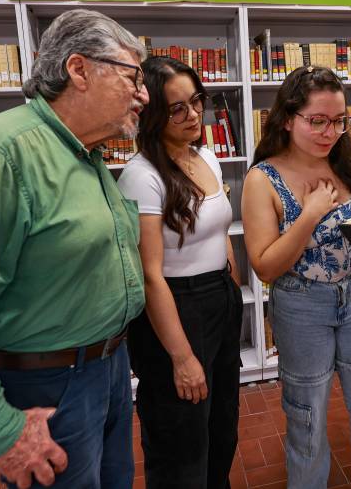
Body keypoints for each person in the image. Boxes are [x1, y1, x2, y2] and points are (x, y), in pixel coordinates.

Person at [0, 9, 149, 488]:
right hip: (50, 387)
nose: (144, 94)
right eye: (133, 77)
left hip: (107, 370)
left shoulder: (85, 154)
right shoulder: (1, 151)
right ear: (78, 70)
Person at [242, 66, 351, 488]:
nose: (330, 132)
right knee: (306, 411)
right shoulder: (263, 179)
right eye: (317, 121)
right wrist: (310, 215)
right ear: (288, 118)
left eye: (339, 121)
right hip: (300, 302)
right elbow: (265, 266)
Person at [117, 56, 243, 489]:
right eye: (177, 108)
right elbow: (150, 275)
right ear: (152, 114)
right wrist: (182, 357)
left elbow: (219, 223)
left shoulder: (206, 155)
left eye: (196, 102)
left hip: (219, 298)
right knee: (180, 434)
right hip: (175, 308)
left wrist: (230, 276)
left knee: (222, 422)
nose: (193, 115)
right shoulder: (141, 176)